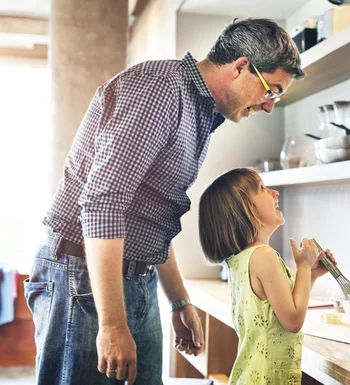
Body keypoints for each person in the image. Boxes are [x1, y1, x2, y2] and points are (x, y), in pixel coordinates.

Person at [24, 18, 304, 385]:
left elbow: (151, 218)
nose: (269, 106)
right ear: (240, 67)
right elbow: (103, 204)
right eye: (272, 91)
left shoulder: (199, 113)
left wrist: (179, 300)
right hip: (83, 280)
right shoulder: (161, 90)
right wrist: (112, 323)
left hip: (134, 281)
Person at [198, 167, 336, 385]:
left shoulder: (243, 259)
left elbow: (281, 307)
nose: (274, 193)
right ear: (246, 210)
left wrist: (311, 275)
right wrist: (302, 266)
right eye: (262, 188)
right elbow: (292, 320)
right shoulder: (264, 256)